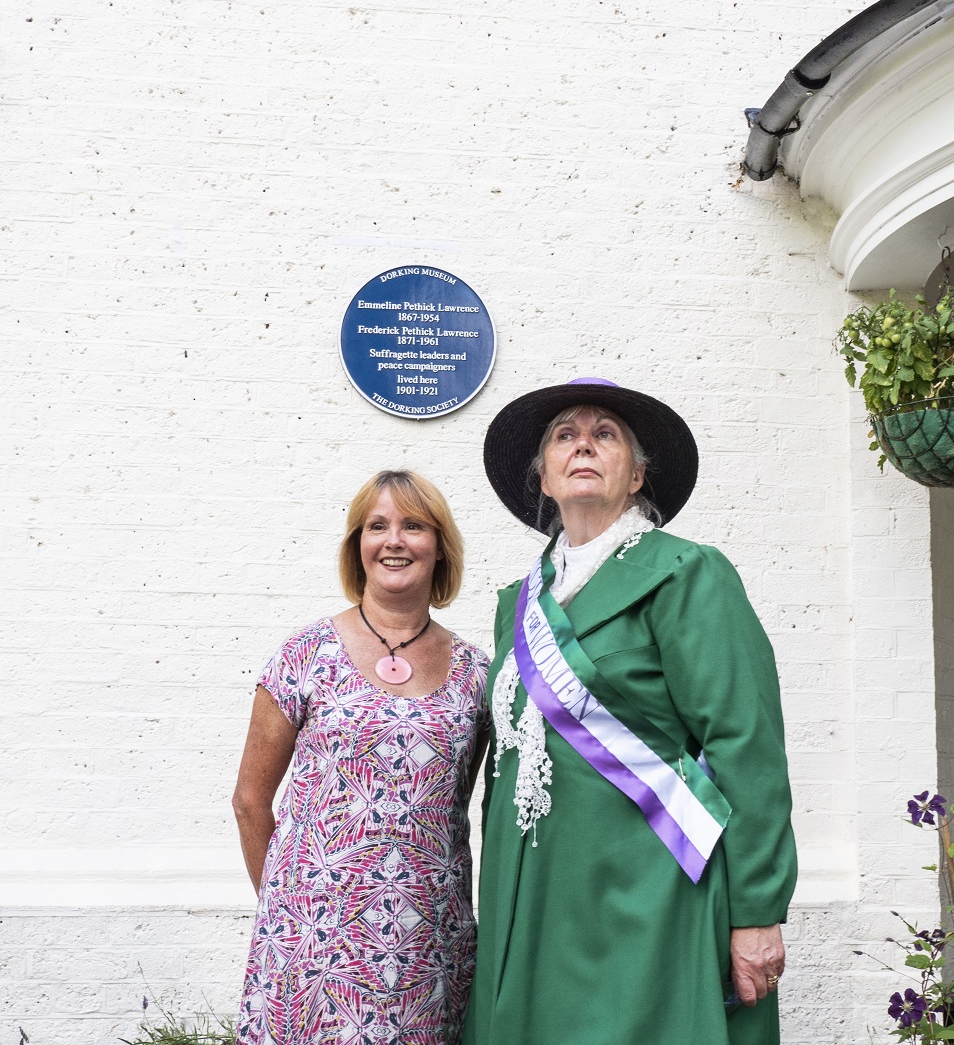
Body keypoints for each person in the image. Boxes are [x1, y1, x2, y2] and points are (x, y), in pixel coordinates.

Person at [464, 379, 798, 1045]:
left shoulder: (685, 573)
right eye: (565, 433)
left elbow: (744, 742)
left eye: (605, 433)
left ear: (638, 472)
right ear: (545, 477)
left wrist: (757, 909)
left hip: (649, 891)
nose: (583, 442)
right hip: (532, 899)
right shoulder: (517, 604)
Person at [232, 470, 490, 1045]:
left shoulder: (477, 673)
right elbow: (250, 802)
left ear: (440, 547)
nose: (394, 540)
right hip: (311, 946)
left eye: (414, 526)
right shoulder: (306, 653)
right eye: (377, 526)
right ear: (358, 547)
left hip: (425, 953)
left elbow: (453, 809)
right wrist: (287, 909)